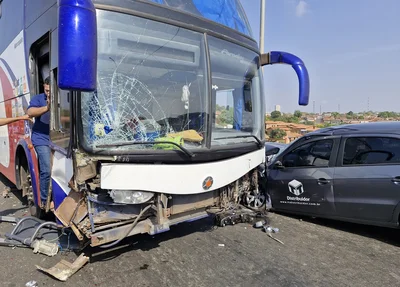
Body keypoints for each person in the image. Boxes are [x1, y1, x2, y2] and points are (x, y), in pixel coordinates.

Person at [27, 77, 51, 208]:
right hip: (41, 138)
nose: (48, 93)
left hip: (57, 138)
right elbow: (30, 112)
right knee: (46, 169)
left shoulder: (62, 98)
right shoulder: (38, 98)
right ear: (44, 87)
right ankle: (43, 200)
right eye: (47, 90)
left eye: (51, 91)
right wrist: (47, 107)